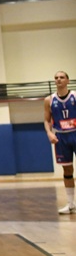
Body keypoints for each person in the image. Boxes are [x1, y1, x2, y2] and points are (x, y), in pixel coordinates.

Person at [45, 70, 76, 214]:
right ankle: (71, 204)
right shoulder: (49, 100)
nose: (58, 79)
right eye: (56, 77)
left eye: (62, 77)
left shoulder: (75, 96)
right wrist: (49, 133)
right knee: (67, 170)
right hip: (62, 137)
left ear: (68, 80)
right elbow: (46, 120)